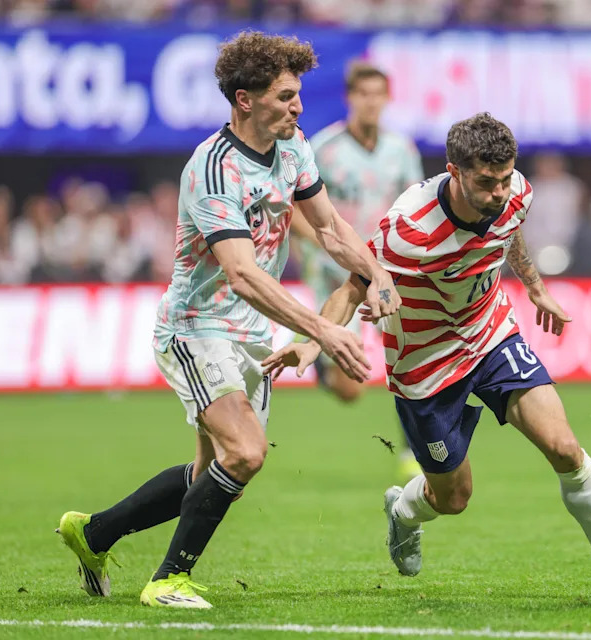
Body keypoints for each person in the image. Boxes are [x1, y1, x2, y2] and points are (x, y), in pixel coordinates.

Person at [55, 31, 400, 609]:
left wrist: (377, 272)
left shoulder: (294, 149)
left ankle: (93, 534)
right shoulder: (213, 169)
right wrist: (322, 330)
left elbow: (333, 230)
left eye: (298, 95)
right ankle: (168, 580)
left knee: (212, 472)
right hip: (197, 326)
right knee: (245, 454)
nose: (297, 106)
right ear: (245, 100)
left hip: (250, 334)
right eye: (286, 95)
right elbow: (240, 273)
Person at [268, 113, 591, 597]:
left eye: (504, 179)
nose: (499, 193)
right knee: (453, 498)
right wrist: (315, 342)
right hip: (425, 364)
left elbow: (510, 230)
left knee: (564, 448)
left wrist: (536, 288)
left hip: (490, 334)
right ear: (454, 172)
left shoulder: (515, 190)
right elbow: (354, 288)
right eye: (486, 182)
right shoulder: (408, 228)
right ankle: (403, 512)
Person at [292, 60, 424, 479]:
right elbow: (292, 206)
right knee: (351, 389)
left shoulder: (401, 151)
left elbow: (416, 207)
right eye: (362, 94)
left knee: (411, 361)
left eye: (377, 94)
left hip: (387, 272)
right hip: (334, 276)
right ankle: (319, 360)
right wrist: (322, 243)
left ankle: (412, 449)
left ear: (387, 99)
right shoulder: (324, 147)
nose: (370, 102)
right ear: (351, 98)